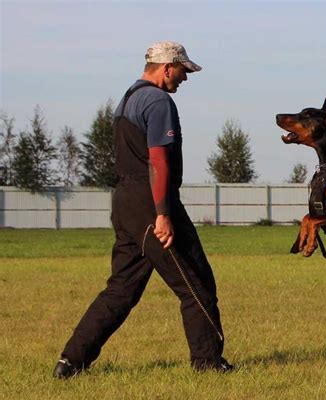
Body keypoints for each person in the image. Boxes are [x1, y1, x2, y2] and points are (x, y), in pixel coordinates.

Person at [53, 41, 233, 378]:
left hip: (125, 201)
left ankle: (70, 361)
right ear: (167, 68)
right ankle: (208, 363)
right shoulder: (158, 100)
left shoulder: (128, 100)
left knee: (121, 289)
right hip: (152, 201)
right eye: (182, 70)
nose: (185, 78)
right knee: (196, 284)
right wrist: (163, 213)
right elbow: (158, 160)